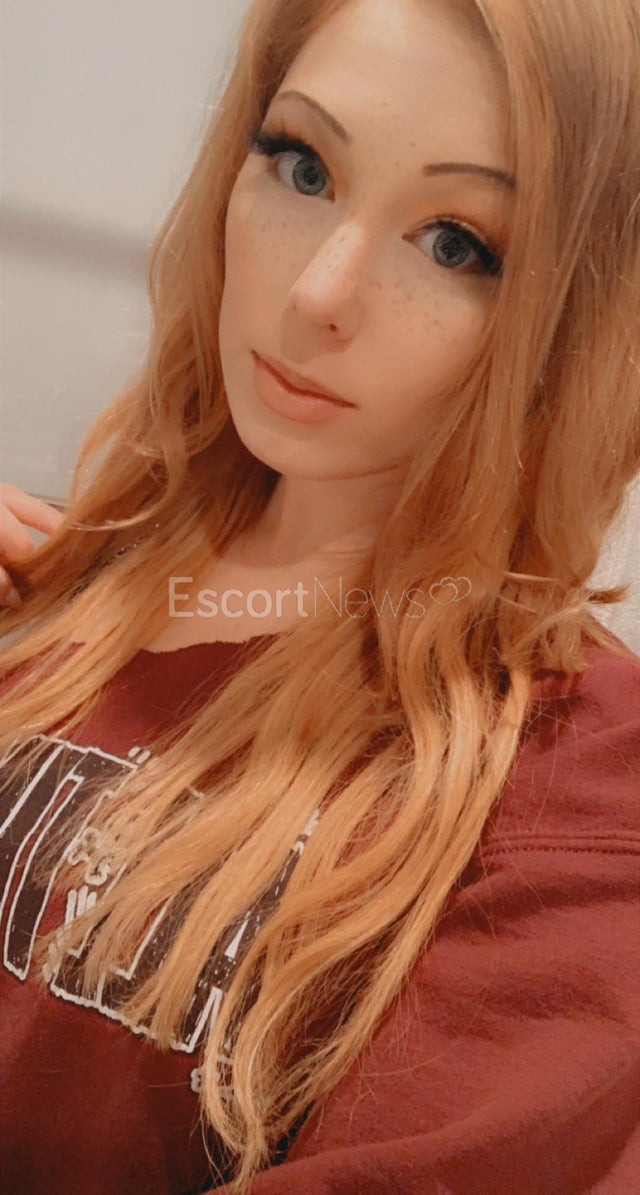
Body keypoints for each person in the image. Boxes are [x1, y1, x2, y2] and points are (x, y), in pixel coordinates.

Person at [0, 0, 639, 1191]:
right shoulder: (62, 577)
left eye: (455, 244)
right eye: (301, 165)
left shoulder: (577, 773)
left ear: (575, 323)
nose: (318, 291)